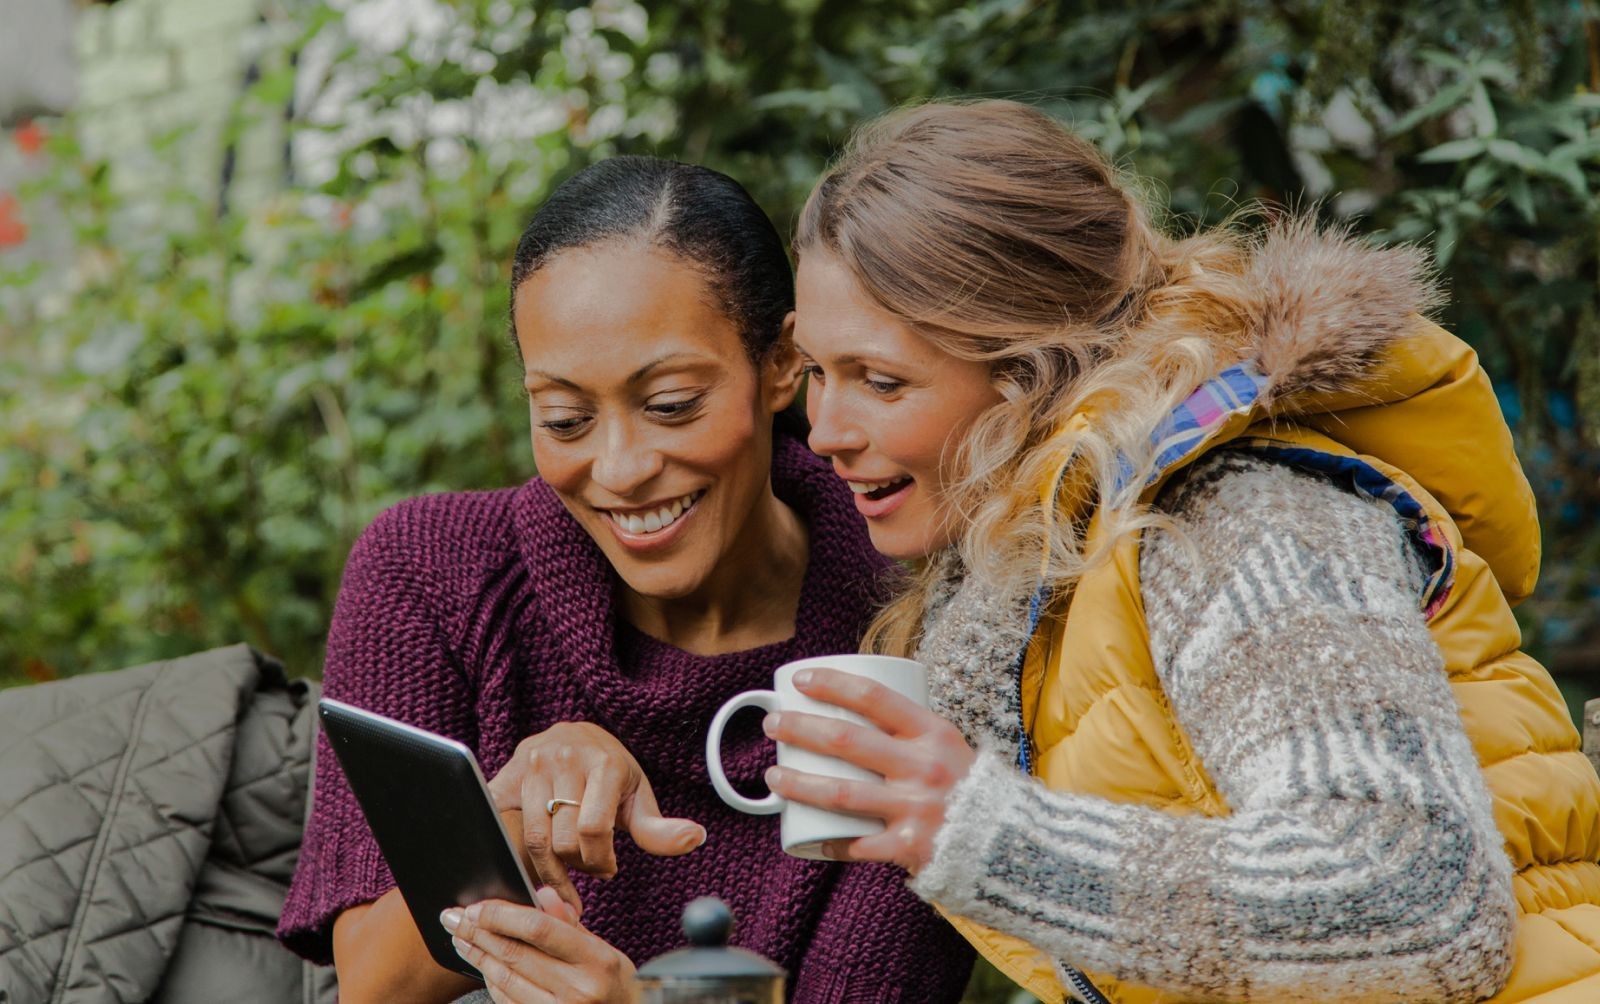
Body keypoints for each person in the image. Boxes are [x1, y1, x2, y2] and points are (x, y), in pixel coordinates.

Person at [759, 100, 1600, 1003]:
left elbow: (1417, 903)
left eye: (880, 381)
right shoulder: (1050, 572)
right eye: (815, 370)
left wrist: (994, 839)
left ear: (1034, 364)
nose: (822, 430)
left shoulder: (1238, 515)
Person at [276, 156, 973, 1004]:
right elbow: (373, 984)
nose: (621, 467)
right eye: (564, 418)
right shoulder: (432, 573)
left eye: (673, 403)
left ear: (785, 363)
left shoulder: (915, 608)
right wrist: (508, 817)